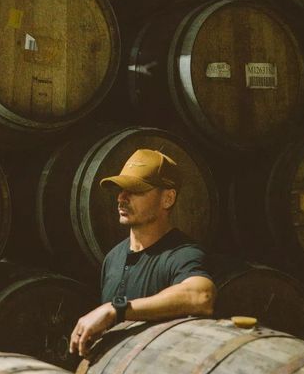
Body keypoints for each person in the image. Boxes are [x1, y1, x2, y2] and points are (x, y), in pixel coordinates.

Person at [70, 148, 216, 358]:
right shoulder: (113, 258)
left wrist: (116, 309)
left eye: (135, 190)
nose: (121, 198)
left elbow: (201, 296)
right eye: (120, 189)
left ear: (168, 198)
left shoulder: (182, 253)